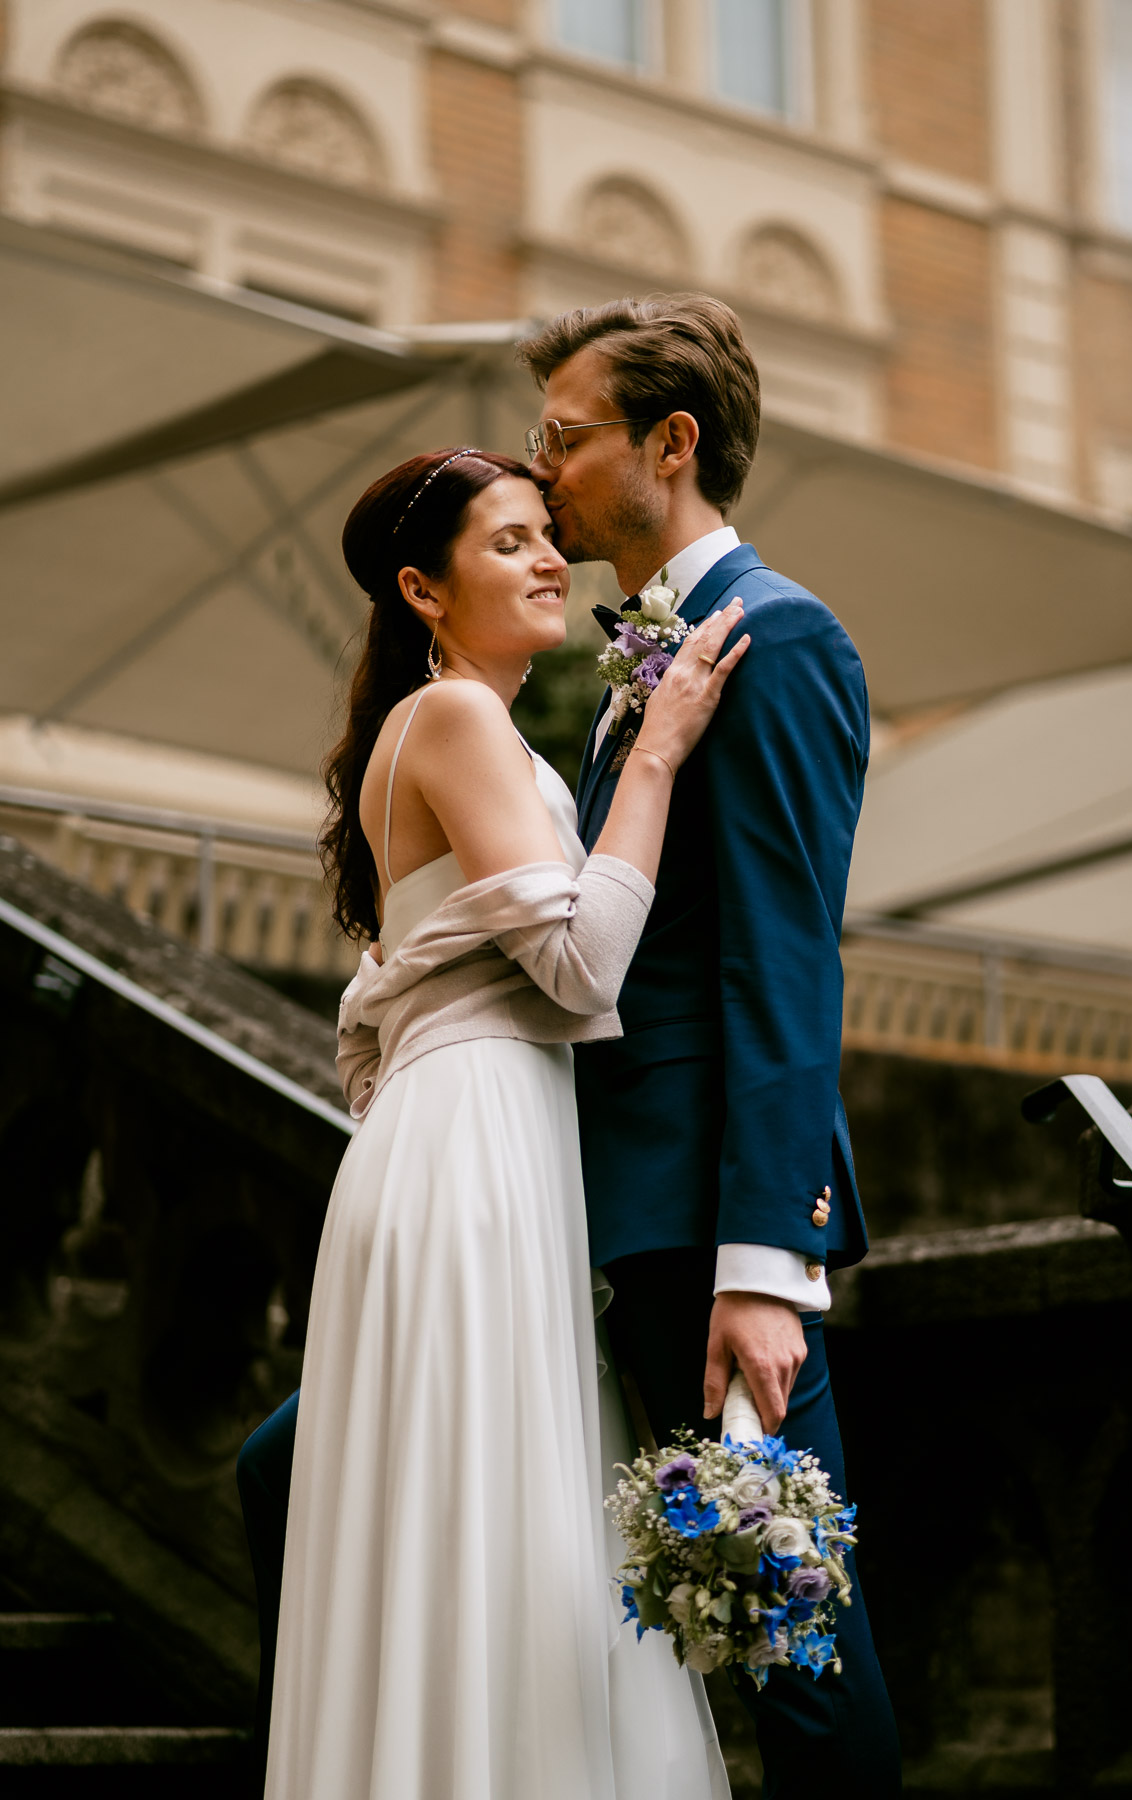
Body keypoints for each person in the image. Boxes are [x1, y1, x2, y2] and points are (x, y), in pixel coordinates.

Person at [253, 445, 745, 1800]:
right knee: (496, 1520)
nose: (548, 562)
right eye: (509, 542)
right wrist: (656, 755)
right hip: (473, 1143)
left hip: (477, 1133)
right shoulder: (457, 717)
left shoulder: (465, 728)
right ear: (424, 590)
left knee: (483, 1523)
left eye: (545, 536)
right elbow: (581, 967)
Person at [517, 293, 902, 1796]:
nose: (539, 464)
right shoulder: (650, 652)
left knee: (790, 1634)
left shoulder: (779, 635)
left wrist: (764, 1264)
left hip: (704, 1232)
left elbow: (785, 956)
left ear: (669, 443)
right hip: (620, 1209)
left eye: (565, 435)